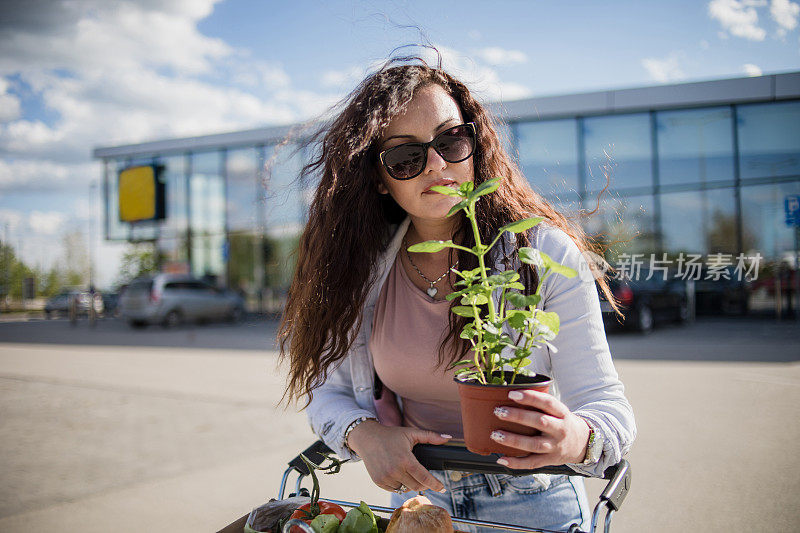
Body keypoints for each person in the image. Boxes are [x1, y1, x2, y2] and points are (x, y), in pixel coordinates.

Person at [278, 59, 636, 532]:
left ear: (476, 146)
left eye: (451, 141)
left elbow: (607, 406)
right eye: (405, 157)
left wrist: (574, 439)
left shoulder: (539, 251)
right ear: (377, 179)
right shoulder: (361, 272)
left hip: (531, 498)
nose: (438, 165)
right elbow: (328, 390)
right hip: (420, 498)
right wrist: (365, 435)